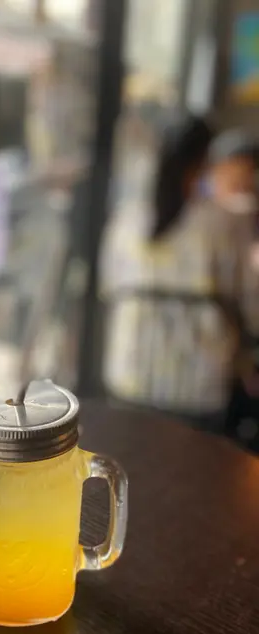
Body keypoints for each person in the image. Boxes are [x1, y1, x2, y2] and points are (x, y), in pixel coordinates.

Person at [101, 114, 258, 425]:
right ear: (204, 163)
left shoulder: (126, 220)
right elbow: (250, 304)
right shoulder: (224, 224)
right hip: (199, 385)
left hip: (129, 373)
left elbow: (108, 288)